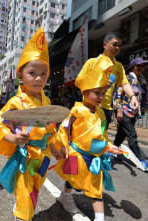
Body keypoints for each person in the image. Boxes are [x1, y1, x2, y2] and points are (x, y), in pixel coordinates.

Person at [0, 27, 62, 221]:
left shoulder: (46, 101)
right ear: (20, 74)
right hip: (25, 154)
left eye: (44, 74)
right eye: (32, 73)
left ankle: (23, 208)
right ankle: (22, 216)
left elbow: (50, 128)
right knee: (25, 189)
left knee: (35, 188)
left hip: (43, 155)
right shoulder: (16, 103)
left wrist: (54, 148)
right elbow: (0, 126)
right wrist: (13, 137)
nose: (38, 78)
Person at [54, 56, 123, 220]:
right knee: (72, 180)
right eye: (97, 93)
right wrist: (62, 147)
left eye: (103, 93)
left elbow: (102, 134)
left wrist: (108, 146)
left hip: (94, 158)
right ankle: (65, 196)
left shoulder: (101, 113)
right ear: (84, 92)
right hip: (76, 154)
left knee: (96, 190)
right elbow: (64, 129)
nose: (100, 97)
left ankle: (99, 218)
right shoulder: (77, 110)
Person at [80, 32, 139, 130]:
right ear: (105, 44)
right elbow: (80, 81)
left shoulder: (119, 66)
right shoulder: (92, 62)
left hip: (107, 109)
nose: (117, 48)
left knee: (101, 139)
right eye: (114, 44)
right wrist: (97, 83)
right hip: (90, 107)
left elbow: (124, 83)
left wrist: (133, 97)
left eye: (119, 46)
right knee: (86, 139)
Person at [113, 58, 148, 170]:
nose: (141, 68)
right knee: (132, 135)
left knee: (122, 134)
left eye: (143, 66)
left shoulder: (142, 79)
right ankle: (141, 160)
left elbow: (147, 95)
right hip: (125, 111)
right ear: (133, 66)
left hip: (134, 113)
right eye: (138, 66)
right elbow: (117, 94)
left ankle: (114, 151)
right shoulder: (127, 78)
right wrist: (119, 110)